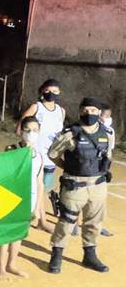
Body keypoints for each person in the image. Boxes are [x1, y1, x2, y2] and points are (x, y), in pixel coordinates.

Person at [47, 97, 111, 274]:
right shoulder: (70, 133)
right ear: (80, 111)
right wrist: (67, 167)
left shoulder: (107, 134)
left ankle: (89, 255)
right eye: (85, 110)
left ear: (99, 112)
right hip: (75, 185)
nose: (89, 113)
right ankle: (57, 255)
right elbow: (53, 154)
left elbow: (108, 154)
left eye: (93, 110)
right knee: (66, 221)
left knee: (94, 222)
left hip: (98, 185)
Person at [0, 116, 45, 280]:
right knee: (6, 233)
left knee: (19, 233)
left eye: (36, 130)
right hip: (10, 199)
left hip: (29, 200)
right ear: (21, 131)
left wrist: (37, 208)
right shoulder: (11, 150)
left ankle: (12, 264)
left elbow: (40, 183)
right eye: (28, 130)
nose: (32, 134)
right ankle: (1, 268)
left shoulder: (38, 156)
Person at [17, 79, 65, 228]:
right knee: (31, 187)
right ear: (42, 91)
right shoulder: (36, 107)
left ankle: (40, 218)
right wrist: (28, 144)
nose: (52, 94)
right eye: (48, 91)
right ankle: (38, 219)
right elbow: (20, 128)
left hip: (51, 158)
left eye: (55, 91)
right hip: (35, 156)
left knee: (44, 188)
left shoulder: (61, 111)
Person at [73, 103, 115, 237]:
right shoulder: (80, 129)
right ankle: (73, 223)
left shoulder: (109, 132)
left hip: (98, 171)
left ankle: (98, 225)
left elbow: (109, 152)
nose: (106, 119)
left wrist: (106, 169)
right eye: (104, 116)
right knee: (78, 198)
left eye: (109, 116)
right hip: (82, 170)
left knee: (97, 201)